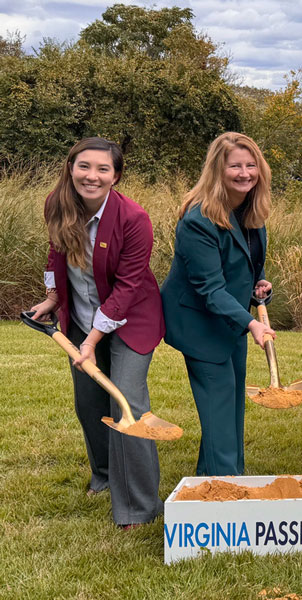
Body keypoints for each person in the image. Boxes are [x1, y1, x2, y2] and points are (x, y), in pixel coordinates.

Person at [28, 137, 163, 528]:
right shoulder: (57, 202)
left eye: (103, 169)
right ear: (71, 167)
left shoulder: (133, 218)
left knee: (126, 402)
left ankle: (139, 507)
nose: (92, 176)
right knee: (89, 402)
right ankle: (104, 475)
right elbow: (57, 250)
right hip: (81, 313)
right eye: (84, 166)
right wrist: (53, 297)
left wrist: (90, 340)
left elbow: (128, 286)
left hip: (131, 317)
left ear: (115, 176)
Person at [161, 132, 275, 477]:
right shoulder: (198, 220)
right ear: (217, 170)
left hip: (230, 321)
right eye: (235, 166)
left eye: (251, 164)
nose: (244, 173)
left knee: (229, 408)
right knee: (219, 405)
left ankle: (217, 480)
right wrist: (252, 323)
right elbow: (210, 288)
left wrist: (260, 281)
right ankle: (227, 494)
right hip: (198, 324)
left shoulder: (250, 211)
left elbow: (247, 262)